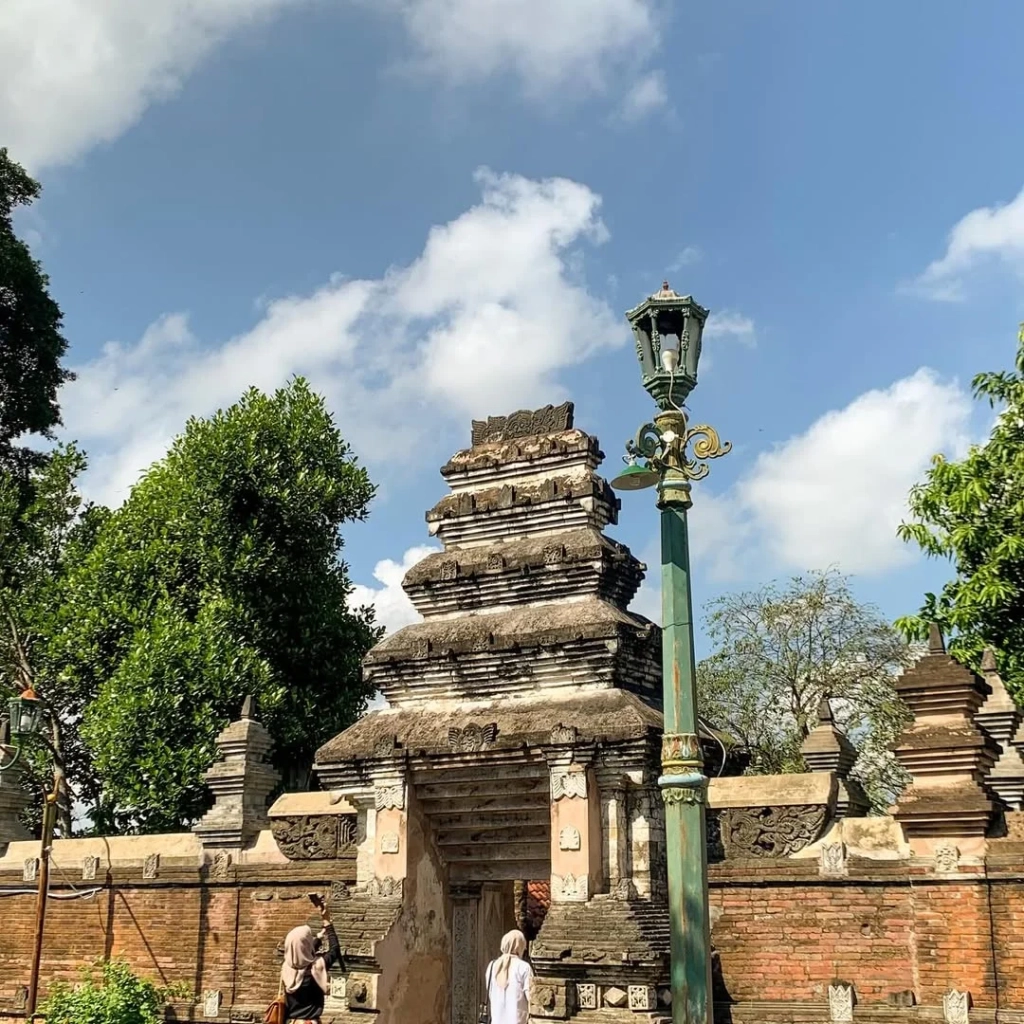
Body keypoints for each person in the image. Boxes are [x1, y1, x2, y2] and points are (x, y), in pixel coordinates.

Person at [281, 898, 342, 1022]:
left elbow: (302, 953)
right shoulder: (316, 968)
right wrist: (327, 922)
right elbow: (334, 949)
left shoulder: (287, 967)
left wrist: (318, 938)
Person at [485, 930, 533, 1024]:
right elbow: (531, 997)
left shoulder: (492, 966)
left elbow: (490, 993)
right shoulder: (524, 967)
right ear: (520, 946)